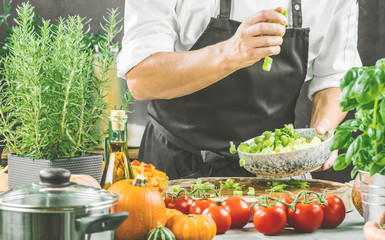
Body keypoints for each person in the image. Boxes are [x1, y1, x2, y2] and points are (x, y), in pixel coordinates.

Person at [117, 0, 362, 180]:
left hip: (275, 176)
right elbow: (141, 78)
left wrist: (321, 134)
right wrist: (230, 53)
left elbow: (336, 76)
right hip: (175, 170)